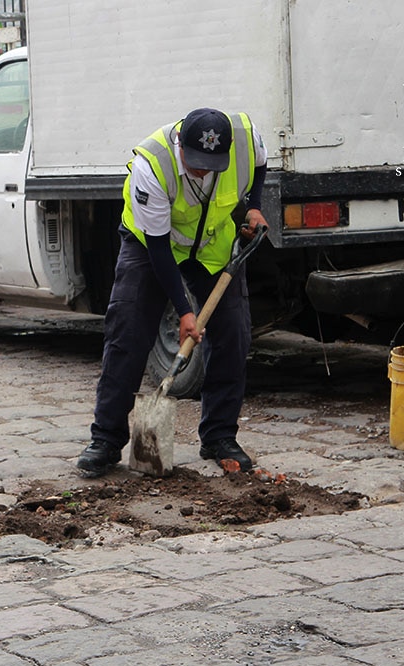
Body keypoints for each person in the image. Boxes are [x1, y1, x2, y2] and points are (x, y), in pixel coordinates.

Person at [77, 107, 269, 478]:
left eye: (211, 165)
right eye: (196, 164)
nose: (203, 172)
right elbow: (159, 249)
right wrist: (185, 312)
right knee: (128, 333)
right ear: (180, 143)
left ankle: (219, 436)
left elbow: (260, 165)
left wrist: (255, 207)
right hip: (150, 247)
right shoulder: (153, 164)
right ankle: (106, 439)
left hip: (212, 245)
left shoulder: (246, 139)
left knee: (233, 335)